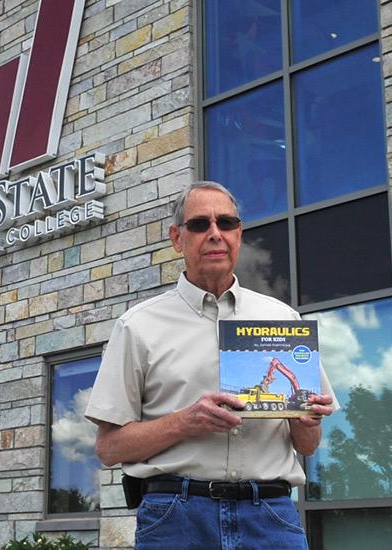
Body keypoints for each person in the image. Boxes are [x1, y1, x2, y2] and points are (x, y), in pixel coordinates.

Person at [84, 181, 338, 549]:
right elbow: (109, 449)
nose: (215, 234)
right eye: (200, 224)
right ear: (177, 238)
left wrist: (307, 422)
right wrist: (187, 421)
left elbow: (308, 445)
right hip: (176, 519)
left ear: (239, 234)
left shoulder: (283, 320)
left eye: (227, 223)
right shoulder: (137, 326)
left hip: (270, 516)